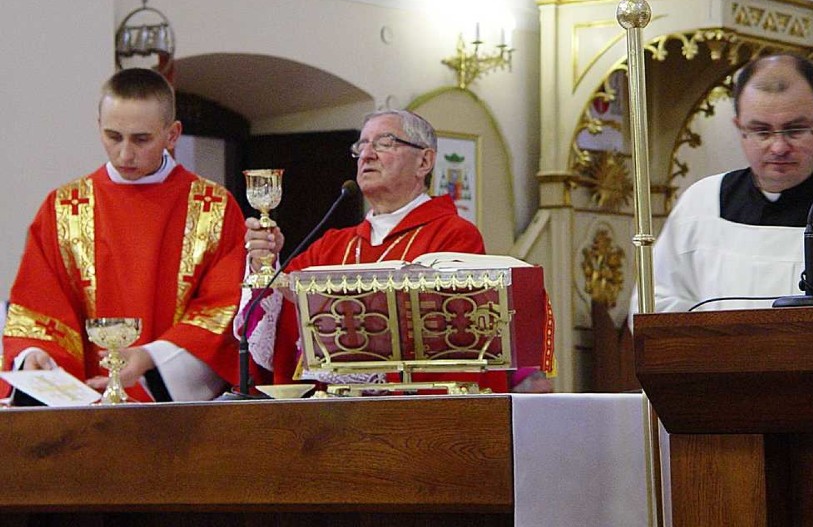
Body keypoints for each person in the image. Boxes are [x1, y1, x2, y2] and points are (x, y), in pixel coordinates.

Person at [3, 68, 247, 402]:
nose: (125, 154)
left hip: (176, 416)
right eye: (113, 136)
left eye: (141, 139)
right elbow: (39, 304)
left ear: (172, 134)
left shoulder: (213, 208)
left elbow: (223, 308)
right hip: (83, 412)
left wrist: (151, 358)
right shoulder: (64, 208)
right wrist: (34, 354)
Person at [238, 109, 511, 392]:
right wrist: (265, 263)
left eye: (384, 143)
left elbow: (456, 341)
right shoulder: (333, 245)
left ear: (424, 161)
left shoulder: (453, 237)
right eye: (362, 145)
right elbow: (281, 330)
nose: (367, 155)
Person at [639, 53, 813, 317]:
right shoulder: (702, 205)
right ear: (740, 128)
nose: (778, 147)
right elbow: (654, 303)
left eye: (795, 129)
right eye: (762, 131)